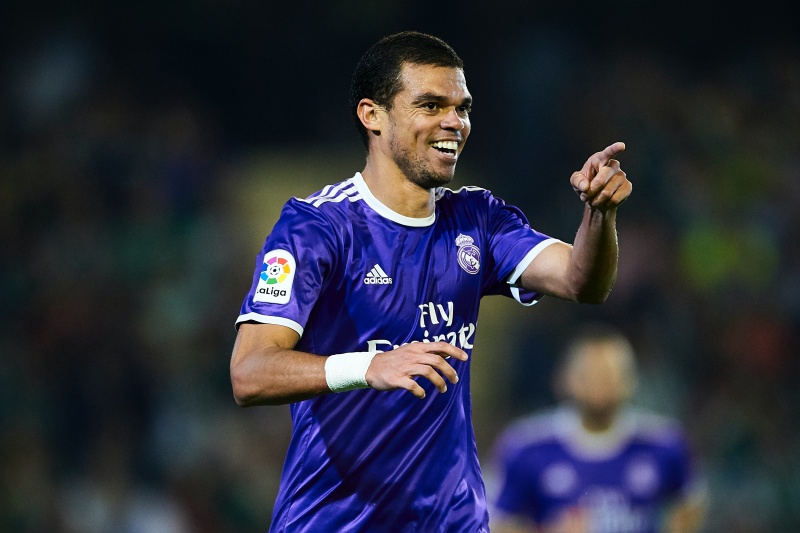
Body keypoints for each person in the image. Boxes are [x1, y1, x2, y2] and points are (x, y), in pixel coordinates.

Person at [230, 30, 632, 532]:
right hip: (334, 520)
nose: (454, 122)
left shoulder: (478, 219)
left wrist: (599, 214)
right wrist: (371, 365)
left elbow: (582, 282)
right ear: (372, 115)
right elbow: (249, 373)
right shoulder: (317, 228)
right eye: (431, 105)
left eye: (462, 108)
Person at [489, 324, 705, 533]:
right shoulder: (527, 445)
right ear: (565, 379)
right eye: (590, 375)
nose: (599, 385)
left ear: (631, 380)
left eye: (609, 375)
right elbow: (497, 521)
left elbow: (690, 503)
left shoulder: (664, 442)